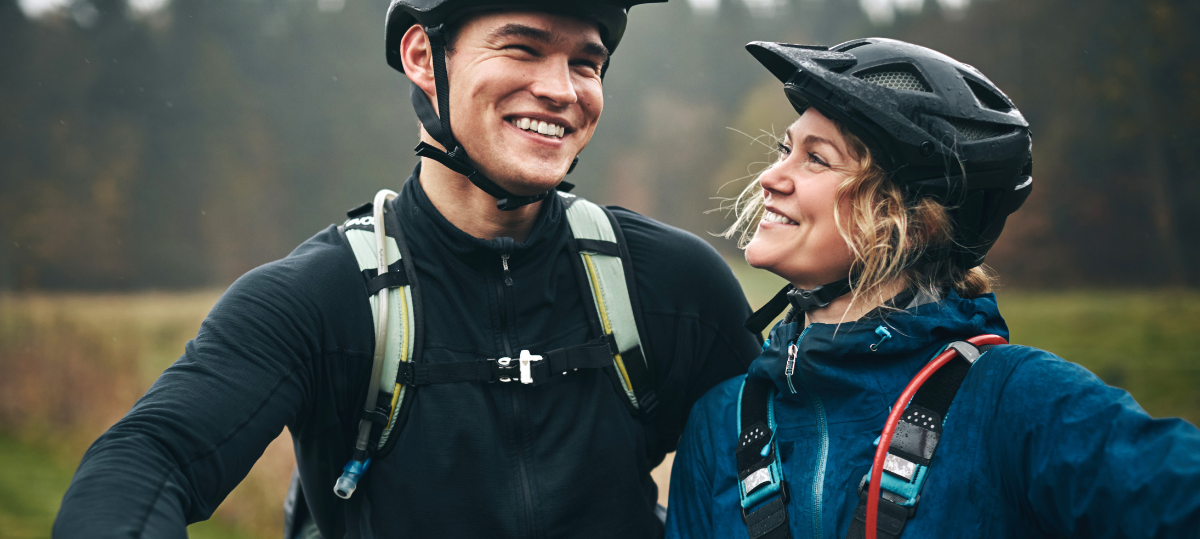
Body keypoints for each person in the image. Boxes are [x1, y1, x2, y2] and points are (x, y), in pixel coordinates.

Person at [54, 1, 762, 537]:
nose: (562, 88)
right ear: (424, 57)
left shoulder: (672, 286)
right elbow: (151, 456)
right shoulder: (320, 297)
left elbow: (785, 468)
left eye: (586, 62)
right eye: (523, 48)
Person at [665, 38, 1200, 539]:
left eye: (816, 159)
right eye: (784, 149)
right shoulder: (721, 422)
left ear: (912, 221)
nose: (770, 178)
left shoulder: (1015, 401)